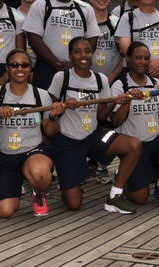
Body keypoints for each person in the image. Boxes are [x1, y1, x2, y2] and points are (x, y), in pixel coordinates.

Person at [47, 37, 143, 214]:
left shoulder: (101, 80)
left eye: (87, 51)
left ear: (92, 54)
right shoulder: (62, 77)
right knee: (74, 204)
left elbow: (100, 117)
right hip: (67, 142)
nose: (83, 55)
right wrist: (63, 107)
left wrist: (115, 102)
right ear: (70, 55)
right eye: (77, 51)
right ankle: (68, 181)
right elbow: (50, 115)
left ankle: (115, 196)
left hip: (92, 137)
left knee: (134, 144)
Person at [0, 50, 66, 218]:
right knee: (5, 212)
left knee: (41, 173)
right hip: (5, 156)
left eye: (24, 64)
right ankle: (11, 183)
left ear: (30, 69)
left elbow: (49, 132)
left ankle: (38, 192)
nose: (19, 68)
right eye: (14, 65)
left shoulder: (41, 95)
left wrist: (53, 116)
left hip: (32, 152)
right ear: (7, 68)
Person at [110, 42, 159, 208]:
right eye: (138, 58)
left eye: (146, 58)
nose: (143, 62)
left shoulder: (158, 84)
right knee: (140, 198)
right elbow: (115, 122)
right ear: (128, 59)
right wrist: (127, 100)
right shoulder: (120, 85)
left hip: (157, 137)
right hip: (134, 145)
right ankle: (123, 175)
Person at [22, 0, 100, 89]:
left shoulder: (86, 9)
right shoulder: (41, 5)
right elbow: (33, 39)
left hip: (77, 68)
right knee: (47, 106)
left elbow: (93, 38)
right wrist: (57, 64)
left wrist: (78, 62)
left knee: (76, 106)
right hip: (47, 68)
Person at [88, 0, 124, 83]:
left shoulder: (118, 23)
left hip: (114, 81)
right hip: (86, 81)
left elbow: (125, 55)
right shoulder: (83, 23)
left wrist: (111, 77)